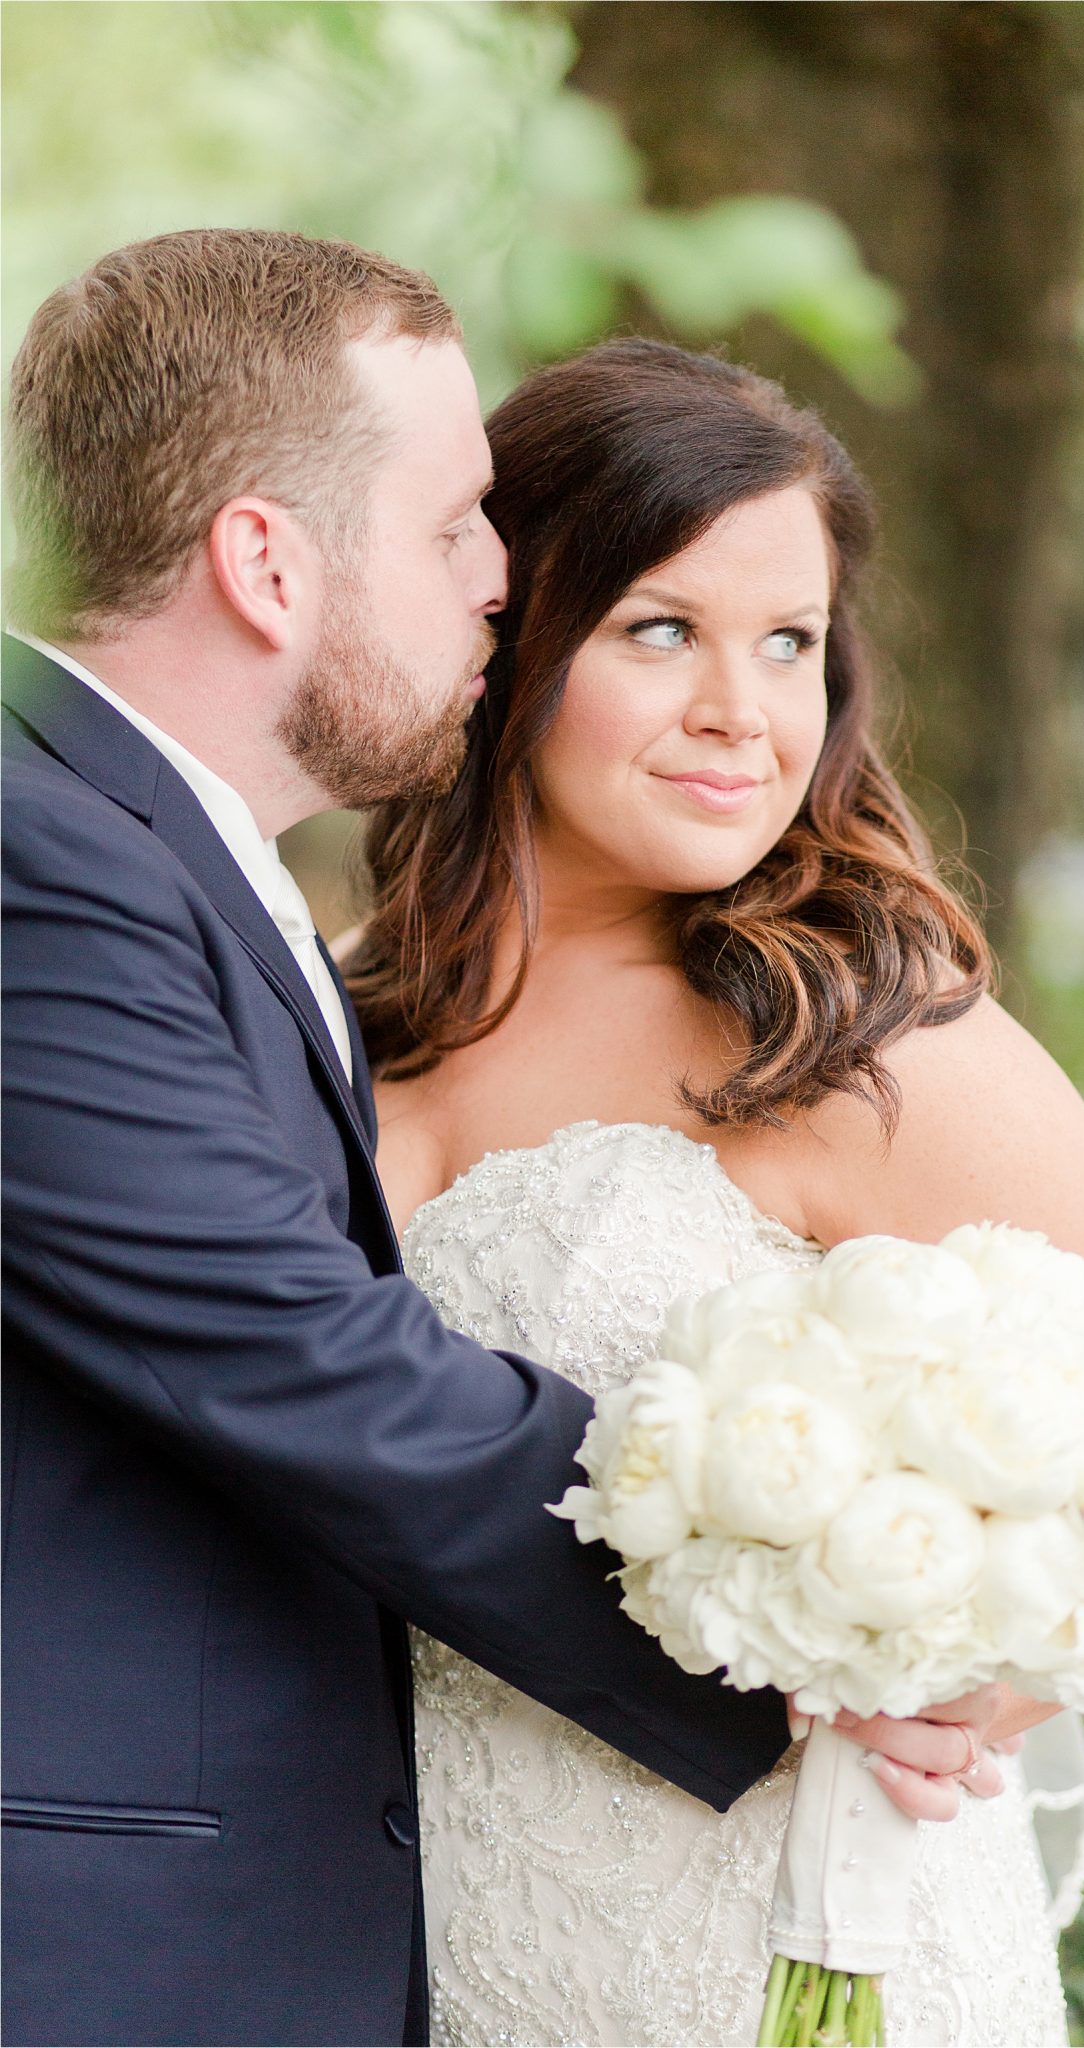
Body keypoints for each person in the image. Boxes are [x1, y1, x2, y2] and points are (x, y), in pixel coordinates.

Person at [0, 234, 945, 2048]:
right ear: (265, 564)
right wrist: (781, 1608)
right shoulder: (43, 856)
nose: (504, 579)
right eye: (452, 529)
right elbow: (288, 1350)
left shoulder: (167, 860)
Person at [348, 338, 1084, 2046]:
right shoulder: (324, 1006)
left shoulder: (875, 1044)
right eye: (659, 630)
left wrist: (957, 1661)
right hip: (417, 1927)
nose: (741, 714)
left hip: (785, 1938)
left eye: (791, 645)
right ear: (504, 636)